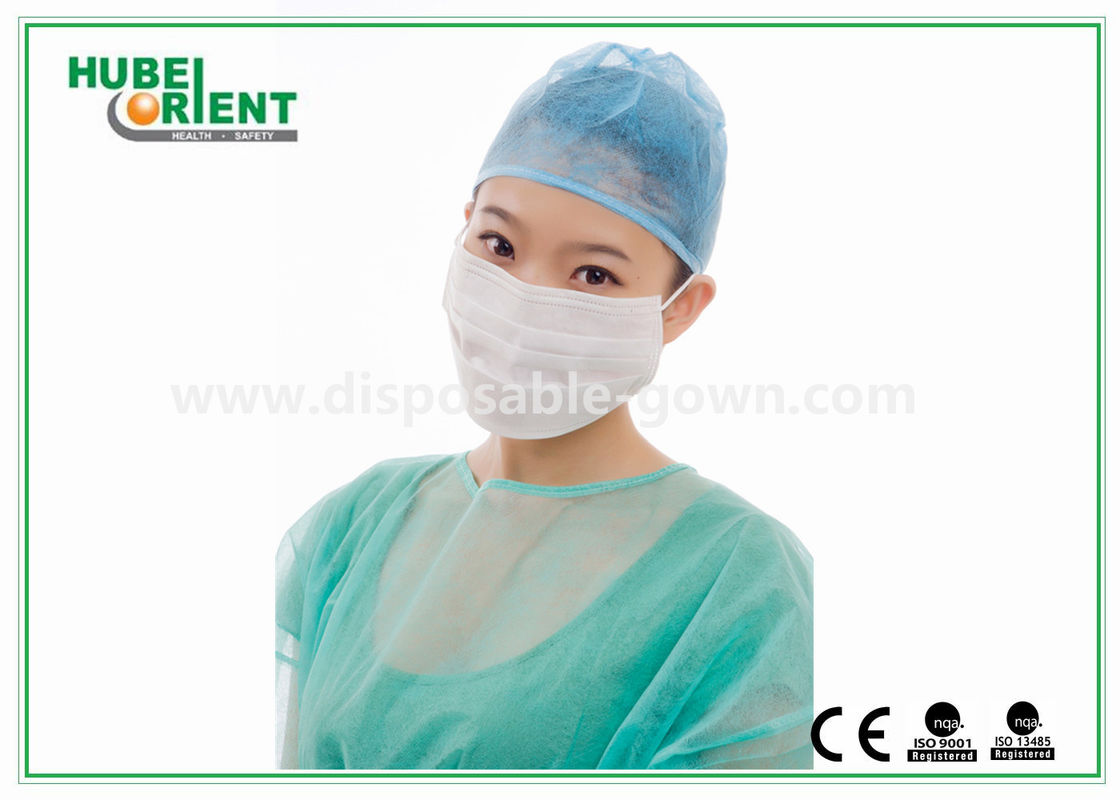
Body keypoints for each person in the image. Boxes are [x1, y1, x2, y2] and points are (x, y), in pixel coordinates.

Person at [275, 40, 813, 771]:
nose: (525, 300)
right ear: (464, 224)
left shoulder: (741, 578)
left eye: (593, 274)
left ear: (679, 309)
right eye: (499, 244)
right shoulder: (355, 525)